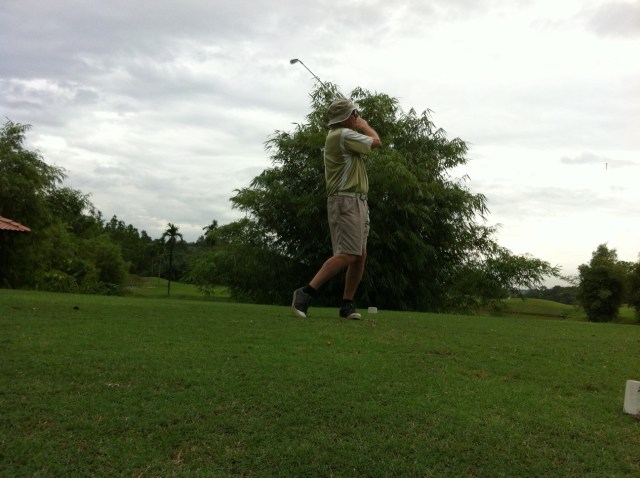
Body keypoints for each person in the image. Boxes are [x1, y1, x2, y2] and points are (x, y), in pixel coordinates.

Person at [292, 98, 381, 319]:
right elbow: (376, 141)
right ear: (345, 117)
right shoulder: (342, 135)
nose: (357, 116)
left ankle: (346, 305)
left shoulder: (344, 137)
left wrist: (359, 125)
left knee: (360, 255)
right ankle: (305, 292)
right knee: (349, 253)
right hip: (345, 200)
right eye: (354, 113)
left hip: (358, 200)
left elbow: (366, 149)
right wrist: (365, 125)